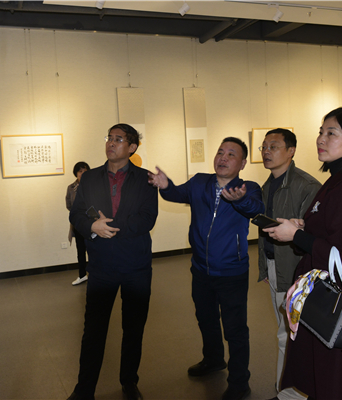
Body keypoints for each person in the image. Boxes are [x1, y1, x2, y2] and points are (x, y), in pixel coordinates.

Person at [263, 107, 342, 400]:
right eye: (321, 131)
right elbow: (334, 233)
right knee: (326, 369)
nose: (321, 138)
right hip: (329, 295)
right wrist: (304, 228)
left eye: (332, 133)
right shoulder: (338, 180)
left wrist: (297, 236)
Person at [148, 137, 264, 400]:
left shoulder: (248, 188)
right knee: (206, 319)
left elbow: (257, 209)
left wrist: (240, 200)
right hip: (200, 269)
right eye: (221, 152)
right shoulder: (200, 182)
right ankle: (213, 359)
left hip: (232, 272)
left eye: (231, 154)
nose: (223, 157)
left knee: (235, 330)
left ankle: (239, 382)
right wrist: (166, 186)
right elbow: (178, 194)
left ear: (242, 163)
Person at [67, 124, 158, 400]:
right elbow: (76, 214)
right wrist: (92, 226)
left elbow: (147, 218)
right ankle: (84, 390)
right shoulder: (90, 178)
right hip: (102, 266)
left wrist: (110, 227)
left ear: (132, 147)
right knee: (93, 332)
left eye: (119, 139)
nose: (111, 142)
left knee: (133, 329)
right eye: (110, 137)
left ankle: (129, 382)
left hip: (136, 266)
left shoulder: (146, 179)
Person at [257, 129, 321, 396]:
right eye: (263, 146)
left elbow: (314, 236)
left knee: (291, 335)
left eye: (273, 146)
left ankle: (289, 394)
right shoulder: (267, 186)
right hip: (276, 267)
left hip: (297, 271)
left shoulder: (307, 186)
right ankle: (285, 391)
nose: (266, 151)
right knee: (284, 333)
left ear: (291, 151)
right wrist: (266, 267)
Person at [66, 161, 91, 286]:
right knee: (80, 251)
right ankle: (82, 275)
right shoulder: (71, 188)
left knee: (93, 250)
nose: (82, 173)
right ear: (76, 173)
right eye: (80, 171)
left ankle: (95, 274)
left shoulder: (93, 185)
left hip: (92, 224)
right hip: (78, 224)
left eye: (85, 171)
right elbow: (68, 205)